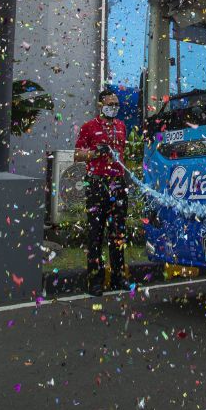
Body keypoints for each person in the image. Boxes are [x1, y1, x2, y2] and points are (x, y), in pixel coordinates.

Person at [74, 90, 129, 296]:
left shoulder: (121, 126)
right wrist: (96, 152)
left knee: (118, 233)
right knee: (95, 233)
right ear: (100, 104)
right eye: (110, 103)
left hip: (118, 183)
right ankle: (95, 281)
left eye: (116, 104)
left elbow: (123, 153)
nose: (114, 107)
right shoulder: (89, 127)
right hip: (97, 185)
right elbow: (77, 155)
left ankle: (118, 277)